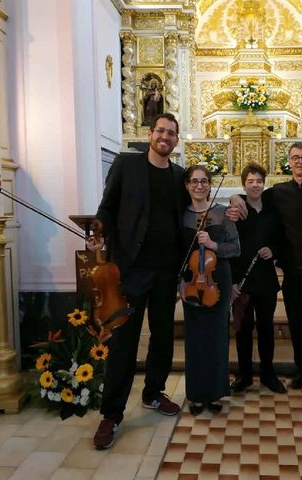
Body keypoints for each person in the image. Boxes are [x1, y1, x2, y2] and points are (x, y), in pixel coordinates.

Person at [89, 113, 185, 450]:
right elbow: (107, 208)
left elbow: (188, 214)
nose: (165, 137)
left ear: (176, 140)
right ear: (150, 133)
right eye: (161, 131)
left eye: (171, 133)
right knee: (124, 342)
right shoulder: (126, 165)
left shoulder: (179, 175)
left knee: (162, 335)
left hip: (166, 270)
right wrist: (98, 232)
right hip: (130, 268)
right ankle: (112, 413)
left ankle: (153, 392)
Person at [230, 142, 302, 397]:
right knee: (298, 324)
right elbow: (251, 197)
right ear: (288, 161)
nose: (300, 161)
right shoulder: (277, 192)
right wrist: (236, 197)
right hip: (292, 269)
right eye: (295, 157)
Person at [180, 165, 240, 415]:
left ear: (210, 185)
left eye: (204, 181)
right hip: (191, 282)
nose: (199, 185)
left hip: (218, 281)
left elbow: (236, 248)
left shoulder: (223, 213)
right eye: (194, 181)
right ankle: (195, 394)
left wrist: (214, 244)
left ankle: (215, 392)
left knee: (217, 337)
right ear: (187, 185)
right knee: (194, 339)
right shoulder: (180, 215)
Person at [229, 163, 286, 395]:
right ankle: (244, 375)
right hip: (242, 279)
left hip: (266, 280)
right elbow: (230, 247)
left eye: (259, 181)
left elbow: (283, 239)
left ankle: (267, 374)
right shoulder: (236, 210)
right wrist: (232, 281)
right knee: (243, 329)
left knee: (265, 328)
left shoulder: (273, 209)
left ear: (265, 183)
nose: (255, 185)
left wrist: (273, 250)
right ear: (244, 184)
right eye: (250, 181)